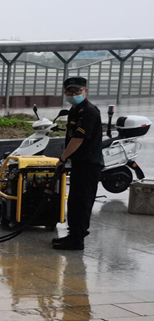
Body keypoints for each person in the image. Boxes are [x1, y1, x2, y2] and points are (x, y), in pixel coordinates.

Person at [53, 77, 104, 251]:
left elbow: (78, 140)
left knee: (82, 202)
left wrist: (62, 158)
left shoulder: (89, 111)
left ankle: (78, 240)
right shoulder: (75, 110)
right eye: (70, 92)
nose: (74, 95)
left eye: (78, 92)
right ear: (65, 93)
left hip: (89, 164)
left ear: (85, 91)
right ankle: (73, 234)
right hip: (80, 163)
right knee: (74, 201)